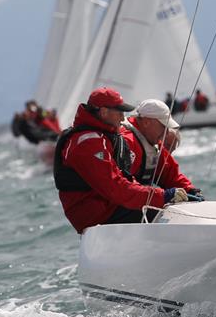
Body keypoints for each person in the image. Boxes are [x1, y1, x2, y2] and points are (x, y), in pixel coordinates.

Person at [53, 87, 189, 234]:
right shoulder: (88, 143)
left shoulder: (105, 136)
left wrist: (187, 192)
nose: (122, 117)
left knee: (166, 210)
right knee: (164, 214)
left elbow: (124, 182)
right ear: (104, 112)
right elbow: (115, 187)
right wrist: (162, 196)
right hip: (97, 215)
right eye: (119, 112)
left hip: (109, 206)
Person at [120, 99, 201, 199]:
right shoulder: (127, 142)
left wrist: (190, 190)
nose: (166, 133)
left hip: (136, 200)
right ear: (146, 122)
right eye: (164, 126)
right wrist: (162, 196)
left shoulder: (152, 144)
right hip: (112, 209)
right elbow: (122, 187)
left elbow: (170, 175)